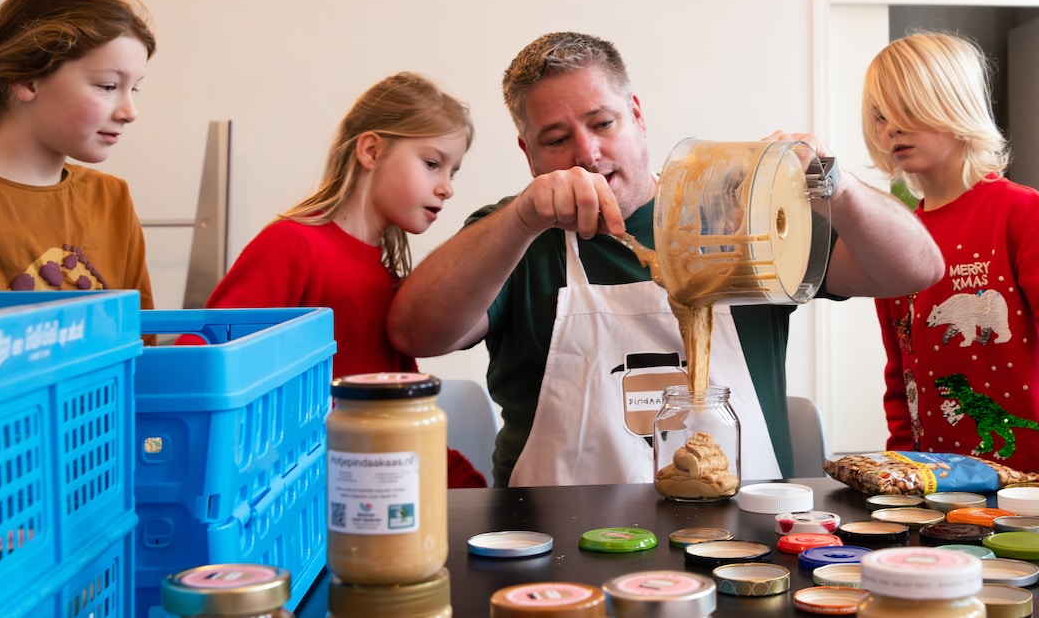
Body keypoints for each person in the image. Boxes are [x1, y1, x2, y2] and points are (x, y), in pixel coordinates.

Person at [387, 31, 944, 487]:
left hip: (739, 538)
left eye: (602, 123)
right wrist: (520, 220)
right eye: (556, 139)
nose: (588, 153)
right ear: (527, 153)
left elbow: (918, 269)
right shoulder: (513, 236)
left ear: (636, 114)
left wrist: (834, 184)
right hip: (556, 539)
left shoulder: (738, 213)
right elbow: (418, 334)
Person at [182, 72, 486, 488]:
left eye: (453, 172)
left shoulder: (387, 277)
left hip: (374, 482)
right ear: (371, 150)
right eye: (432, 164)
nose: (447, 188)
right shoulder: (292, 244)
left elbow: (397, 413)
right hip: (301, 490)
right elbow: (205, 356)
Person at [864, 32, 1039, 470]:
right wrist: (904, 463)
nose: (891, 127)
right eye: (880, 116)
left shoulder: (1021, 213)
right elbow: (901, 372)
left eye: (907, 108)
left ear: (956, 104)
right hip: (939, 481)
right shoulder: (897, 239)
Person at [0, 0, 156, 311]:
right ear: (26, 81)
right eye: (108, 86)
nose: (130, 112)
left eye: (133, 88)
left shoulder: (112, 198)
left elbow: (139, 334)